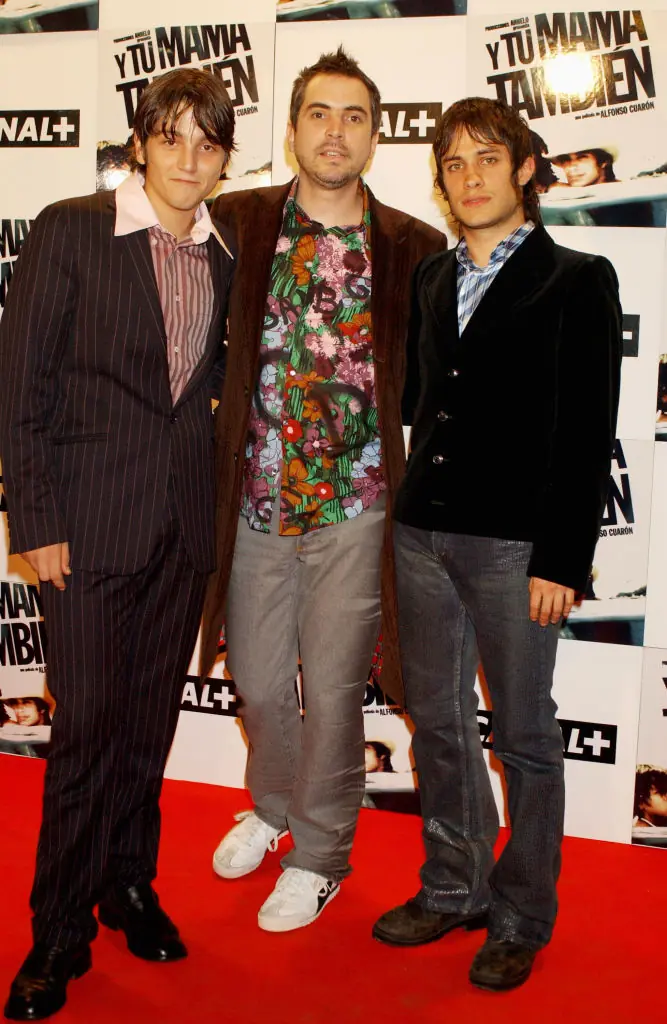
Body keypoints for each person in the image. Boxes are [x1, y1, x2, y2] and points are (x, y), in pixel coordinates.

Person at [0, 67, 235, 1021]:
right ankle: (57, 929)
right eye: (171, 136)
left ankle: (127, 883)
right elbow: (22, 391)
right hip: (87, 530)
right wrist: (39, 523)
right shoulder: (69, 229)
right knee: (88, 732)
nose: (188, 157)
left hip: (181, 529)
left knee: (147, 730)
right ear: (139, 143)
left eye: (207, 143)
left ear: (224, 160)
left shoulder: (224, 260)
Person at [372, 97, 622, 991]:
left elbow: (588, 431)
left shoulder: (577, 278)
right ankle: (452, 887)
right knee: (436, 724)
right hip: (423, 533)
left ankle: (521, 914)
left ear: (524, 170)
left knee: (522, 734)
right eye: (452, 163)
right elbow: (419, 404)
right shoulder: (433, 278)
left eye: (487, 159)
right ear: (438, 180)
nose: (469, 176)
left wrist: (563, 556)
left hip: (517, 549)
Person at [200, 47, 446, 934]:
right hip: (255, 502)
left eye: (352, 117)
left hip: (357, 507)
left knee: (337, 691)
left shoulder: (414, 247)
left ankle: (319, 855)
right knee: (261, 689)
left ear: (376, 136)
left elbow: (438, 386)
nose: (333, 131)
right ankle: (271, 807)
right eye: (318, 113)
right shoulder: (238, 222)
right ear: (293, 126)